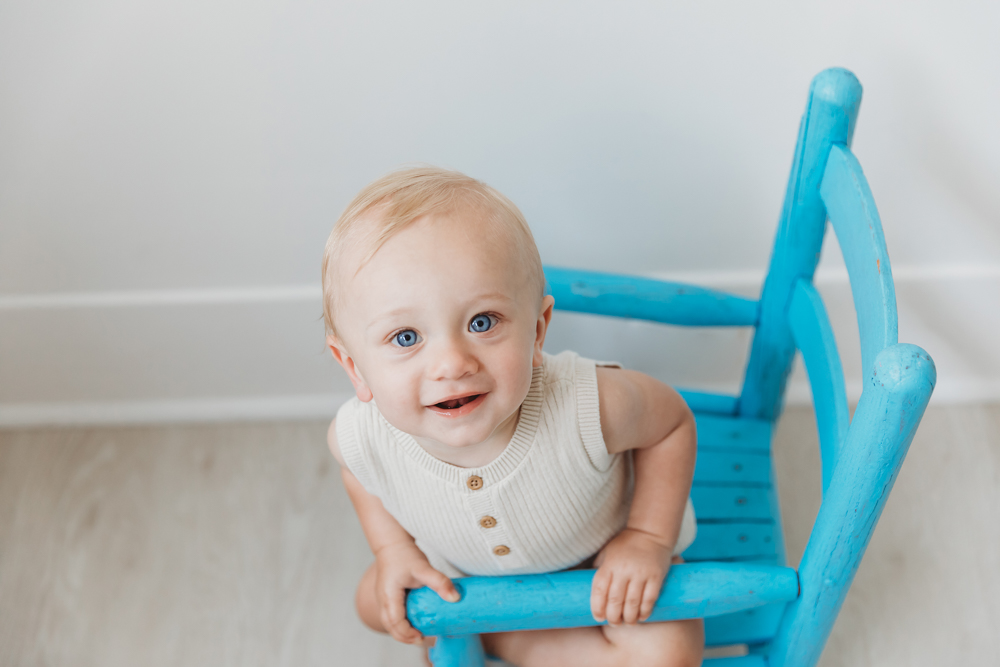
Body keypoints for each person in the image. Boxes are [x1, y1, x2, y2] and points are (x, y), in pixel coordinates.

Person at [322, 166, 702, 666]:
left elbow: (671, 422)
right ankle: (512, 634)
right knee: (375, 602)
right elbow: (356, 471)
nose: (452, 363)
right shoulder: (358, 434)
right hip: (462, 574)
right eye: (406, 338)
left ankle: (503, 636)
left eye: (482, 323)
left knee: (671, 648)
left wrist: (647, 536)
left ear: (538, 329)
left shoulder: (590, 405)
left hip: (598, 563)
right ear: (355, 368)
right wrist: (391, 547)